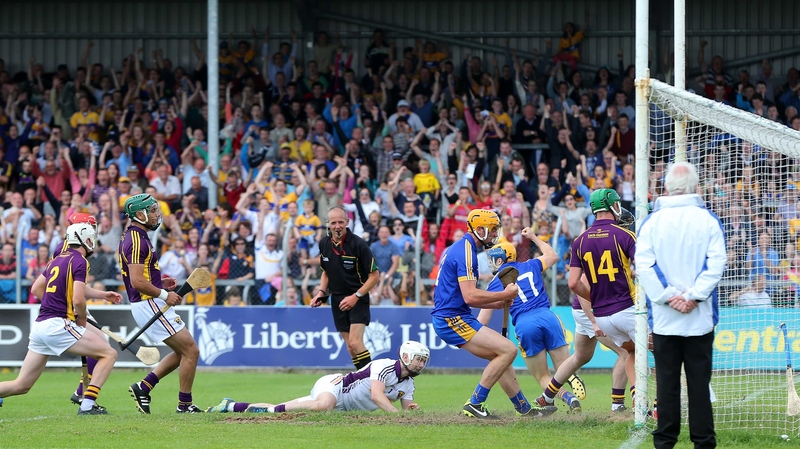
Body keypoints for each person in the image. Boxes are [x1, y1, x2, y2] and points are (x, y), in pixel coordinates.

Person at [431, 209, 555, 419]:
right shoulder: (466, 251)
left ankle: (524, 409)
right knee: (508, 350)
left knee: (501, 356)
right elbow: (470, 296)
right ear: (479, 229)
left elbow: (467, 296)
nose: (495, 234)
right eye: (493, 230)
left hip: (455, 315)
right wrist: (503, 294)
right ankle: (475, 402)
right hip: (451, 318)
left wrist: (498, 303)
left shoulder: (463, 247)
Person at [637, 162, 726, 449]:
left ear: (665, 187)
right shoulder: (708, 220)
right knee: (699, 384)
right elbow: (717, 263)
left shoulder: (652, 222)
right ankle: (703, 442)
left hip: (665, 318)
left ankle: (664, 442)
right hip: (698, 317)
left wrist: (669, 296)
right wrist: (693, 296)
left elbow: (644, 266)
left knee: (667, 383)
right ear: (695, 187)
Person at [0, 223, 120, 414]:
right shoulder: (80, 261)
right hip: (58, 324)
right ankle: (88, 405)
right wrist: (79, 317)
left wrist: (102, 295)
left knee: (21, 385)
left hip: (40, 327)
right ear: (86, 240)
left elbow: (37, 289)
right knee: (109, 354)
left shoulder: (55, 260)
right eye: (92, 240)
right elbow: (78, 298)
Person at [535, 189, 637, 411]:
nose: (626, 226)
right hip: (589, 307)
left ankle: (547, 396)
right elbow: (583, 283)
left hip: (587, 307)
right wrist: (593, 320)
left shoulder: (587, 241)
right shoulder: (620, 239)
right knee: (626, 352)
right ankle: (618, 404)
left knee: (580, 356)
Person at [479, 233, 583, 413]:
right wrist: (534, 237)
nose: (490, 263)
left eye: (493, 259)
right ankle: (566, 383)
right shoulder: (530, 265)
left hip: (525, 324)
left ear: (500, 260)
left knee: (543, 376)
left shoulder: (496, 283)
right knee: (563, 368)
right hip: (548, 317)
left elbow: (482, 321)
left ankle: (569, 398)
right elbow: (553, 256)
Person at [120, 194, 203, 414]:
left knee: (182, 353)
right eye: (153, 210)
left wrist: (159, 283)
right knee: (191, 351)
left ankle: (143, 387)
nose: (158, 214)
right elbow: (137, 281)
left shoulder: (137, 235)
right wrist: (165, 295)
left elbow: (138, 276)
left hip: (147, 301)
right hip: (149, 303)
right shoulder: (136, 240)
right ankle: (184, 405)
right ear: (140, 214)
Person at [206, 341, 430, 414]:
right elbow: (377, 395)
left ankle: (232, 405)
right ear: (405, 356)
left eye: (423, 361)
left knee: (278, 411)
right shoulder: (385, 366)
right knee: (323, 405)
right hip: (335, 387)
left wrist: (412, 410)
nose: (420, 364)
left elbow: (407, 404)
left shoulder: (408, 383)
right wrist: (397, 416)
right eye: (418, 359)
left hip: (344, 407)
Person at [310, 206, 380, 370]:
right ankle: (364, 382)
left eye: (341, 222)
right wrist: (321, 293)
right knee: (350, 347)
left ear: (347, 222)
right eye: (333, 222)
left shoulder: (358, 244)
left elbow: (375, 276)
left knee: (356, 343)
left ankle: (374, 380)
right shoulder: (324, 243)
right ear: (328, 224)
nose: (337, 226)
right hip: (337, 300)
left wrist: (356, 296)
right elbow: (326, 272)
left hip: (358, 298)